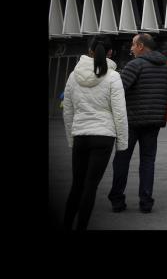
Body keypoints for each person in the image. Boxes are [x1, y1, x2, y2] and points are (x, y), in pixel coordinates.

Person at [63, 37, 128, 230]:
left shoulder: (74, 75)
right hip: (103, 136)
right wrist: (122, 143)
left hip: (80, 135)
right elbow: (119, 112)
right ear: (110, 53)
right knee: (91, 186)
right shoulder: (113, 76)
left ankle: (66, 224)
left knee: (77, 184)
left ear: (90, 51)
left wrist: (71, 138)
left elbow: (68, 109)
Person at [108, 33, 167, 214]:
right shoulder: (165, 67)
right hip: (153, 122)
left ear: (141, 46)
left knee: (122, 160)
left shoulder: (135, 65)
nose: (131, 48)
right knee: (148, 161)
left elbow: (119, 91)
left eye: (133, 44)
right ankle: (146, 202)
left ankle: (117, 200)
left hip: (131, 121)